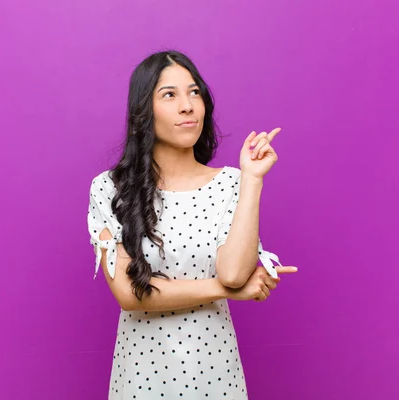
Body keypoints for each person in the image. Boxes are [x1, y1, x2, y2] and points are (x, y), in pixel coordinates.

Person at [87, 50, 298, 399]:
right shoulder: (110, 189)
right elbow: (129, 294)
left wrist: (253, 180)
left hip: (215, 373)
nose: (187, 106)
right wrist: (225, 291)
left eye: (194, 92)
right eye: (169, 94)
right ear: (143, 111)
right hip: (142, 378)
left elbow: (233, 272)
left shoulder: (230, 183)